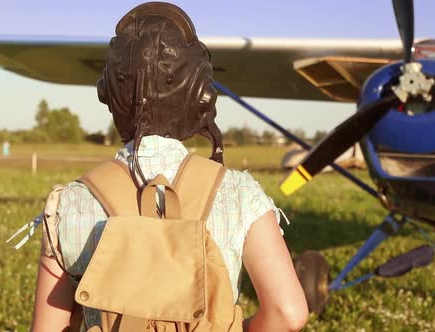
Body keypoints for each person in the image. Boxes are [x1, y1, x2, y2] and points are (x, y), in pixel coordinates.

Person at [23, 2, 308, 331]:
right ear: (201, 95)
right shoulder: (240, 193)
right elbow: (289, 312)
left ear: (109, 94)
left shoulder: (69, 203)